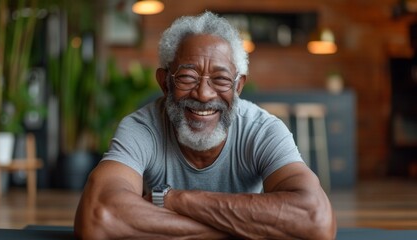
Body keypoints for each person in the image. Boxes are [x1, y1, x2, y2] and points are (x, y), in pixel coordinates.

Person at [74, 11, 336, 239]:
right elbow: (98, 216)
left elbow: (317, 220)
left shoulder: (262, 129)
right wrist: (244, 227)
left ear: (238, 86)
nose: (203, 94)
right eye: (188, 77)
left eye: (221, 79)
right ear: (165, 82)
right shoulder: (141, 128)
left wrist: (173, 199)